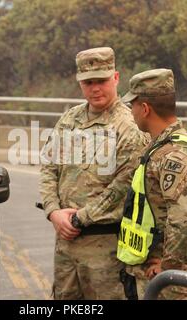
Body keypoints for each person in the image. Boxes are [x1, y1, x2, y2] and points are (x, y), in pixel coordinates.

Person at [39, 47, 149, 300]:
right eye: (88, 82)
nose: (95, 88)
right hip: (66, 248)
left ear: (116, 78)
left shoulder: (129, 126)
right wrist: (53, 211)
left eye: (101, 81)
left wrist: (79, 219)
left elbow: (124, 187)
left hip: (106, 251)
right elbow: (49, 167)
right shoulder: (70, 119)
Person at [117, 68, 187, 300]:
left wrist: (169, 268)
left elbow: (183, 214)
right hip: (159, 276)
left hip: (168, 283)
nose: (131, 112)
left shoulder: (173, 155)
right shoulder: (165, 145)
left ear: (145, 109)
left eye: (133, 106)